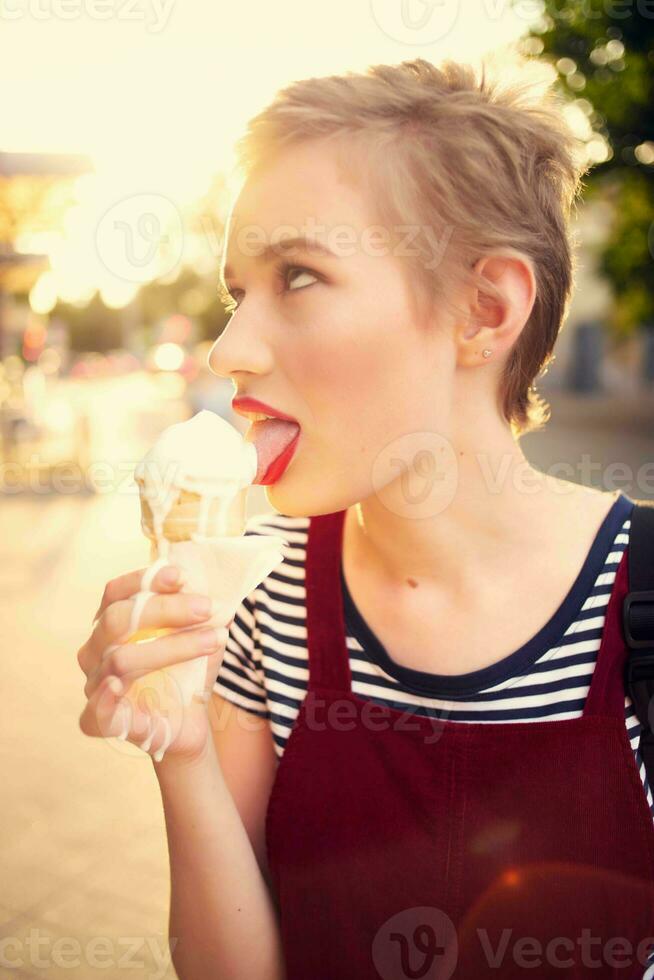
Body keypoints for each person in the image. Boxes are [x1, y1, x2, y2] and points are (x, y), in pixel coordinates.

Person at [77, 54, 654, 979]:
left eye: (298, 276)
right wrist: (181, 749)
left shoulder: (644, 599)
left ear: (485, 308)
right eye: (237, 293)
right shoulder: (264, 603)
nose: (231, 348)